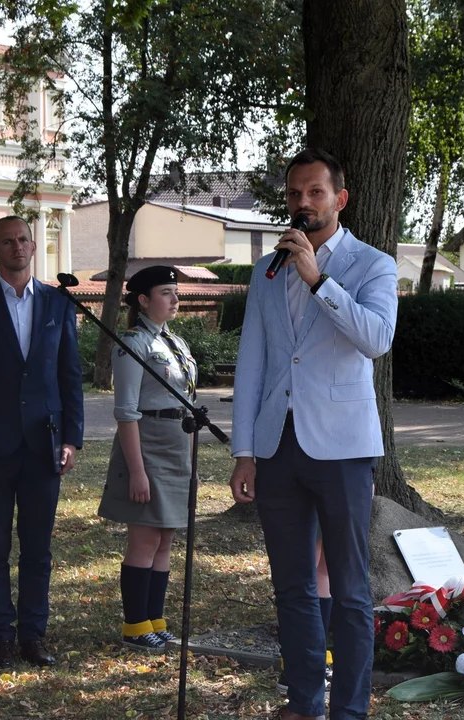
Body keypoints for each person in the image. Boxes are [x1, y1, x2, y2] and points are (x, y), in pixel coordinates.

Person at [229, 148, 398, 720]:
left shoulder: (373, 264)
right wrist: (245, 450)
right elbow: (254, 360)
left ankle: (350, 710)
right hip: (278, 446)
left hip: (344, 448)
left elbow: (376, 339)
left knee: (350, 590)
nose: (303, 203)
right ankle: (305, 702)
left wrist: (319, 279)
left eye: (315, 192)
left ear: (339, 199)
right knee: (292, 586)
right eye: (295, 193)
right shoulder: (266, 269)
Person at [0, 215, 84, 669]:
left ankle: (33, 635)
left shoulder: (58, 304)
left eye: (24, 239)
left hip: (43, 445)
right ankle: (0, 636)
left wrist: (72, 439)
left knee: (38, 548)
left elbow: (70, 378)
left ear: (34, 245)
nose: (17, 246)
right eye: (6, 241)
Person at [97, 265, 197, 654]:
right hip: (148, 447)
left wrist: (191, 467)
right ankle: (134, 625)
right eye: (165, 293)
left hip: (177, 446)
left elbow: (186, 404)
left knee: (166, 538)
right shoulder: (133, 345)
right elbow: (126, 412)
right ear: (142, 300)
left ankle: (154, 621)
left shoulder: (177, 343)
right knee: (145, 538)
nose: (175, 299)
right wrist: (136, 472)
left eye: (176, 292)